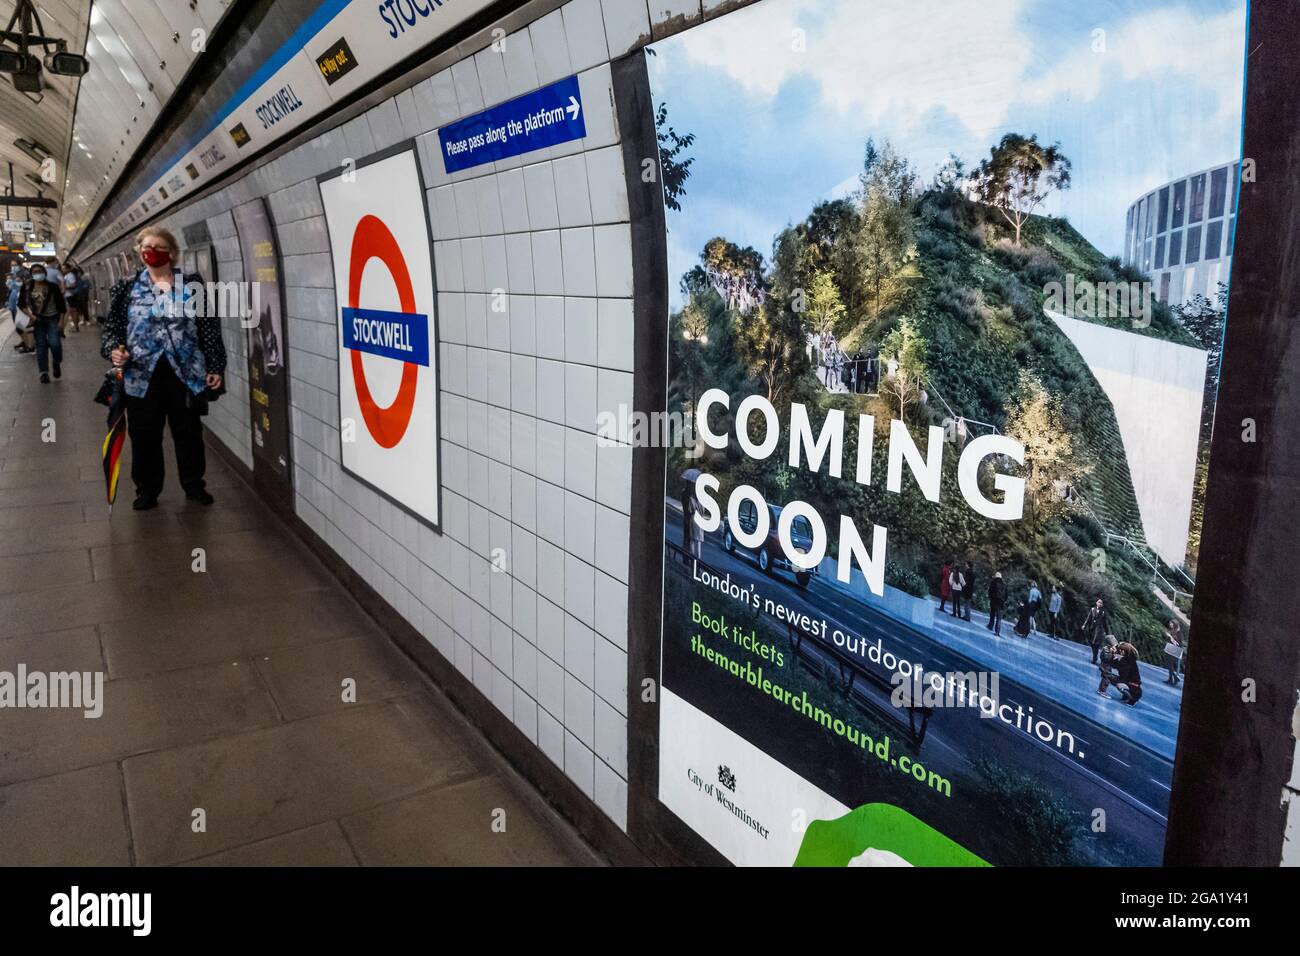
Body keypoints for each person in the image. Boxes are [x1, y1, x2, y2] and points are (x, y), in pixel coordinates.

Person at [101, 226, 226, 510]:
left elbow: (208, 328)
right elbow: (112, 331)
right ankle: (147, 490)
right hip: (141, 375)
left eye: (158, 246)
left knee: (189, 433)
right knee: (145, 435)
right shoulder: (127, 287)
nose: (151, 252)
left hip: (185, 373)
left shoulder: (191, 284)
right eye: (146, 246)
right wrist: (115, 351)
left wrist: (215, 365)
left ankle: (194, 485)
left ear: (171, 253)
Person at [17, 264, 66, 382]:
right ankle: (44, 372)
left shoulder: (53, 287)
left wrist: (61, 322)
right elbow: (21, 304)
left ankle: (56, 361)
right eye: (35, 272)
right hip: (37, 320)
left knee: (55, 344)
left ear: (45, 272)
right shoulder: (27, 287)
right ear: (31, 274)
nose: (38, 274)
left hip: (53, 318)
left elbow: (61, 306)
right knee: (41, 346)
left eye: (40, 271)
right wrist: (31, 316)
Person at [1082, 598, 1110, 663]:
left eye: (1101, 603)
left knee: (1095, 643)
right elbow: (1088, 618)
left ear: (1102, 605)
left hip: (1099, 629)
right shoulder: (1092, 609)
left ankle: (1094, 658)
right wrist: (1084, 625)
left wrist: (1106, 632)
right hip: (1092, 628)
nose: (1100, 604)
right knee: (1091, 643)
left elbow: (1105, 623)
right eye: (1099, 602)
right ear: (1096, 603)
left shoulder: (1103, 612)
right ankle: (1095, 655)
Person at [1163, 620, 1184, 686]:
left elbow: (1177, 643)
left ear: (1175, 624)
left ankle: (1174, 677)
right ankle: (1171, 678)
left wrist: (1170, 637)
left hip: (1175, 650)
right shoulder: (1172, 631)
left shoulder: (1178, 632)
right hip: (1170, 649)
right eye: (1170, 623)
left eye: (1171, 623)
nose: (1170, 625)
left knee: (1170, 664)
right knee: (1169, 664)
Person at [987, 571, 1006, 636]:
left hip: (994, 601)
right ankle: (997, 631)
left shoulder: (993, 582)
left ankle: (990, 625)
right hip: (1001, 602)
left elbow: (990, 591)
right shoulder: (1004, 584)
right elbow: (1006, 594)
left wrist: (990, 598)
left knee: (992, 614)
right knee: (999, 618)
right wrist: (1004, 600)